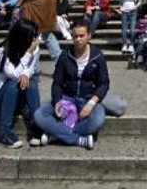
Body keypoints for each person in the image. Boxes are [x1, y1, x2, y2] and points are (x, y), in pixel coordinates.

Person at [33, 19, 109, 149]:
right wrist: (57, 100)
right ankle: (78, 140)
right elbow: (57, 83)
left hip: (88, 98)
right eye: (75, 36)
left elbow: (104, 83)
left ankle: (57, 134)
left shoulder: (98, 56)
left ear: (89, 36)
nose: (78, 39)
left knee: (97, 120)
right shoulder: (64, 56)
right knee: (39, 115)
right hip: (66, 99)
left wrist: (91, 103)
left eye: (82, 36)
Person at [0, 19, 42, 148]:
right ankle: (4, 132)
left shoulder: (32, 48)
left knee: (31, 81)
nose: (34, 39)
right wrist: (28, 54)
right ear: (21, 37)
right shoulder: (2, 53)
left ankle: (37, 126)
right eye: (32, 36)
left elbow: (31, 69)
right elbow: (14, 75)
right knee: (13, 84)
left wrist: (26, 74)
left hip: (16, 100)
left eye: (35, 36)